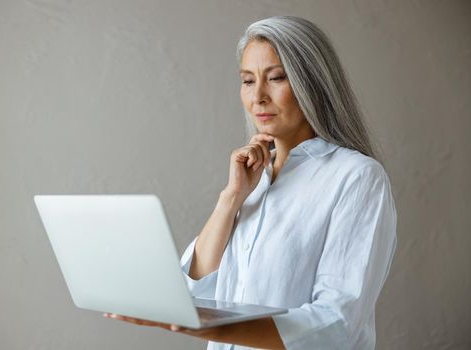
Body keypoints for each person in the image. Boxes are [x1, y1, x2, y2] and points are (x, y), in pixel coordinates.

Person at [104, 16, 397, 350]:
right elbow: (194, 290)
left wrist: (208, 328)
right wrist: (231, 199)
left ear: (311, 83)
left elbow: (335, 323)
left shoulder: (355, 177)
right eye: (247, 80)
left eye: (276, 78)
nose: (258, 96)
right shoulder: (253, 178)